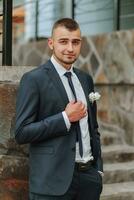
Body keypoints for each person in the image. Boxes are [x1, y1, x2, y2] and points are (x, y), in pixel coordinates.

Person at [15, 18, 103, 200]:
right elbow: (22, 132)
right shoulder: (34, 80)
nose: (70, 48)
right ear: (51, 43)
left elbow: (93, 128)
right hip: (52, 184)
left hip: (89, 181)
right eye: (63, 41)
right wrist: (64, 118)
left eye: (76, 42)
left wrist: (98, 171)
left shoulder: (86, 79)